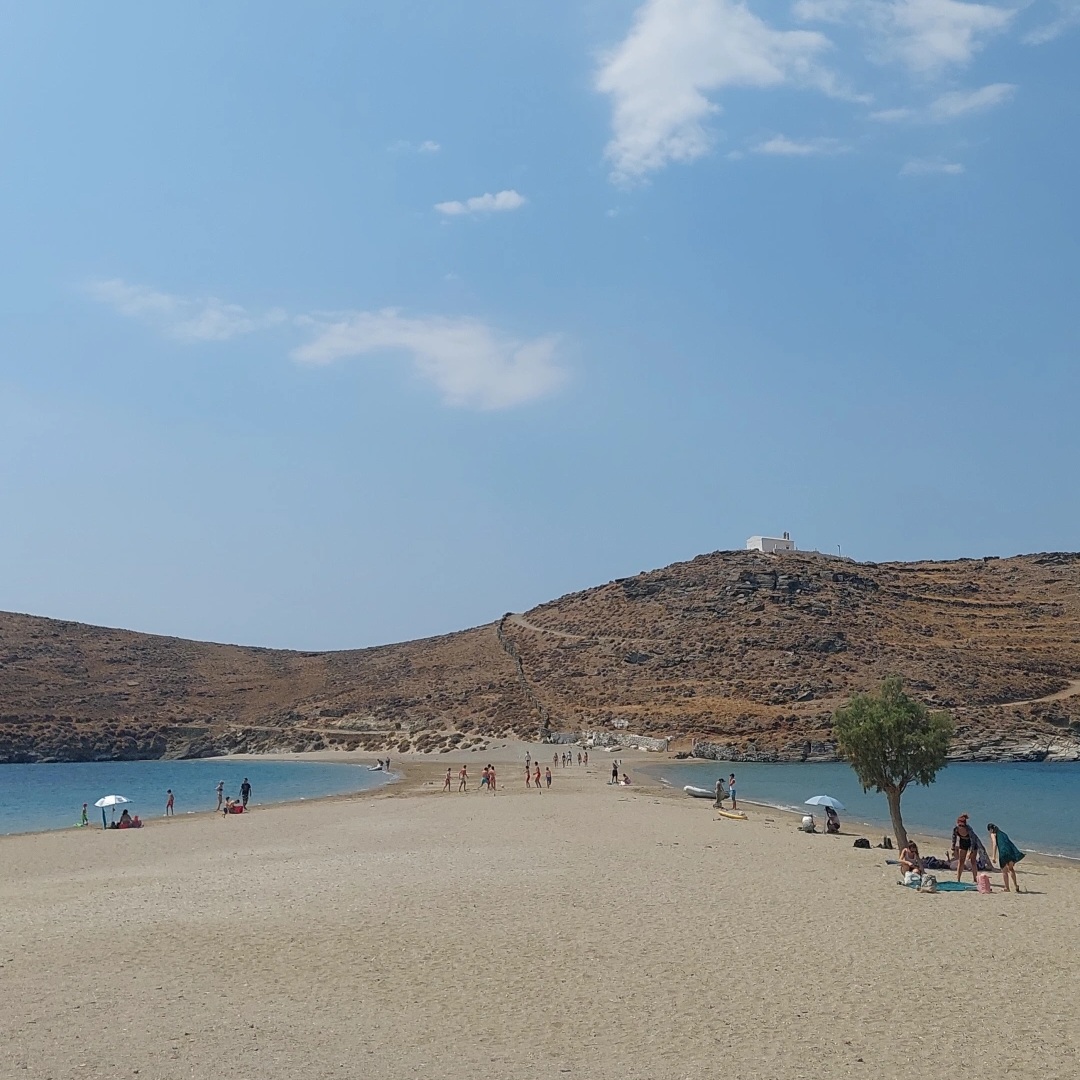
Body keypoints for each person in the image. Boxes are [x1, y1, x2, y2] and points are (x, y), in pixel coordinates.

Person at [987, 823, 1025, 892]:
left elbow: (994, 844)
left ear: (991, 830)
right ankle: (1016, 885)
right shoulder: (1003, 834)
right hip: (1010, 852)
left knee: (1004, 871)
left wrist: (994, 856)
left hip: (1003, 853)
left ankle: (1007, 888)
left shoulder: (993, 834)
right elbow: (1009, 843)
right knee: (1011, 869)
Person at [952, 814, 978, 883]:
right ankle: (958, 879)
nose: (961, 827)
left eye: (962, 826)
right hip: (963, 842)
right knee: (961, 861)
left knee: (973, 861)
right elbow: (954, 838)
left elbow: (973, 840)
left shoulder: (969, 829)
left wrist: (971, 851)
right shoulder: (956, 829)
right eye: (960, 825)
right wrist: (953, 848)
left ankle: (975, 879)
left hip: (972, 842)